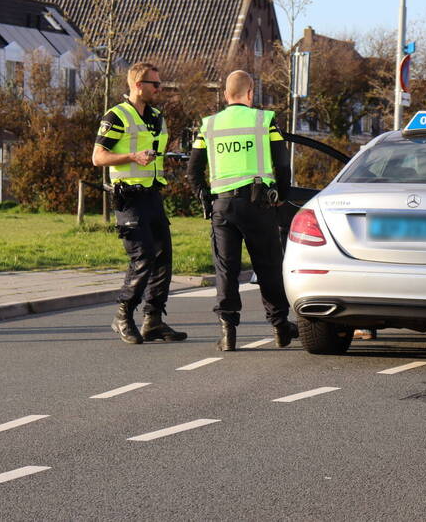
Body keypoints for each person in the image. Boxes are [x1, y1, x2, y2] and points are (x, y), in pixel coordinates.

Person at [187, 70, 297, 351]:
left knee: (226, 268)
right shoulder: (264, 120)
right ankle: (280, 326)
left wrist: (205, 197)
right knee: (268, 265)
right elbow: (282, 163)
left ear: (225, 95)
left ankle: (228, 332)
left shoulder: (209, 125)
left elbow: (193, 169)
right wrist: (282, 195)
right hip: (258, 204)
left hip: (223, 206)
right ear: (250, 93)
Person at [92, 62, 187, 344]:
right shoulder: (117, 116)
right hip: (128, 197)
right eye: (154, 84)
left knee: (163, 257)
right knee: (143, 256)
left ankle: (153, 321)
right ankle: (123, 315)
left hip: (152, 195)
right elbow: (98, 157)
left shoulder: (156, 117)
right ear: (137, 85)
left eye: (159, 83)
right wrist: (132, 157)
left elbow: (155, 151)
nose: (159, 88)